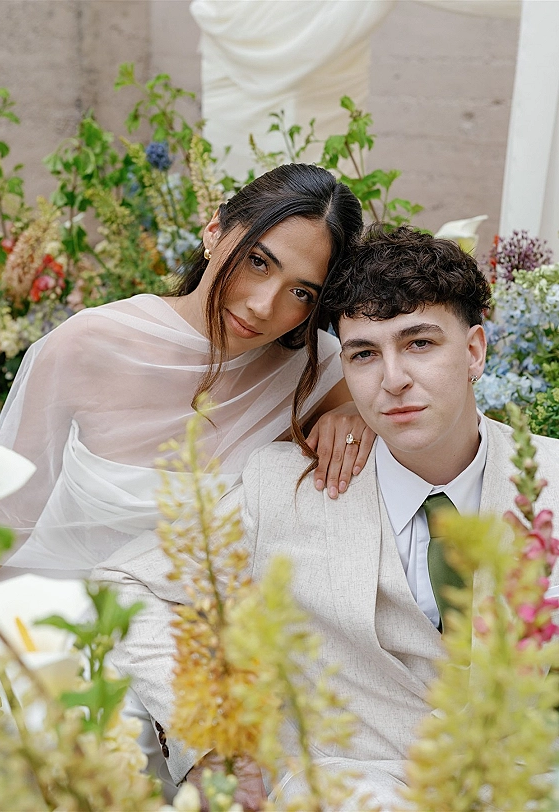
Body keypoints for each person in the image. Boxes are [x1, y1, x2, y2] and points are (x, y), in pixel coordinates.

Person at [95, 225, 559, 810]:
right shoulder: (285, 487)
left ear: (474, 351)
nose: (393, 379)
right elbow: (128, 583)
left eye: (419, 343)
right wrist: (211, 739)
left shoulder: (548, 478)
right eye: (365, 354)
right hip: (345, 787)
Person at [0, 163, 370, 587]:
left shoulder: (321, 372)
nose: (263, 305)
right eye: (257, 262)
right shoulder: (88, 345)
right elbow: (2, 512)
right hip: (56, 597)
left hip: (203, 617)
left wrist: (356, 413)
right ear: (214, 230)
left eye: (300, 292)